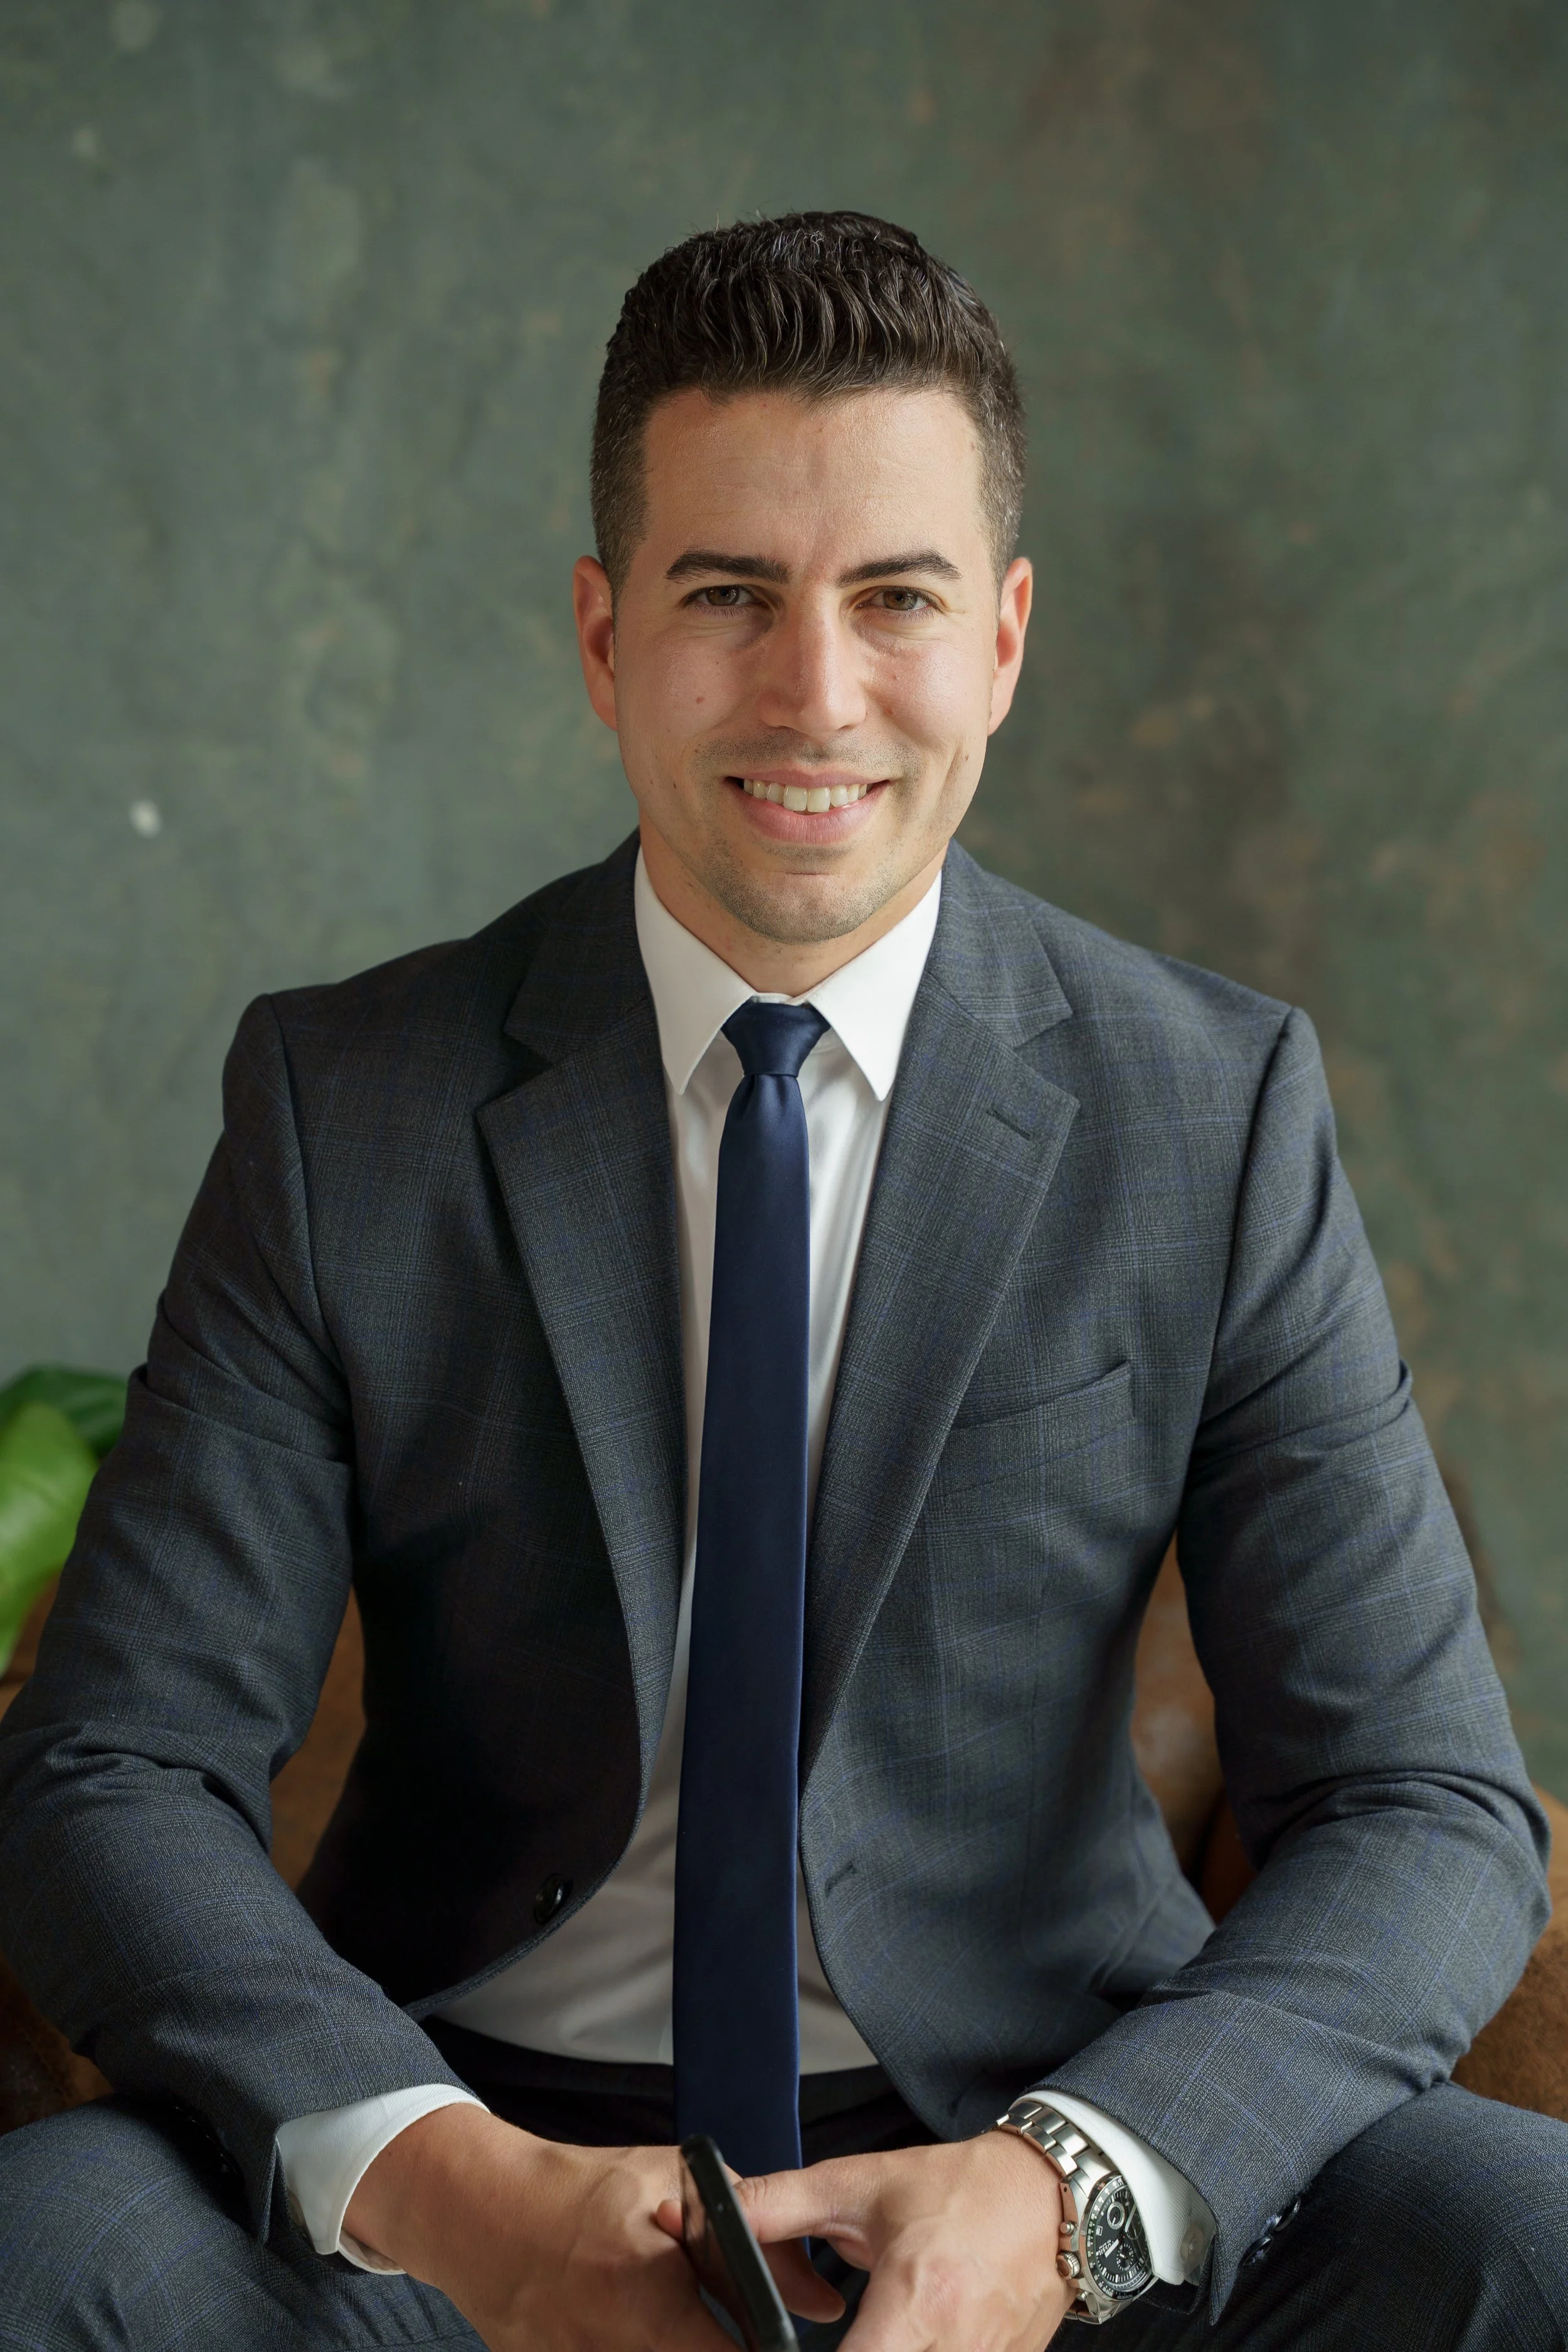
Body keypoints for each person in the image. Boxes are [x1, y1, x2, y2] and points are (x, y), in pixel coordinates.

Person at [0, 211, 1562, 2352]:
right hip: (472, 2180)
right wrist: (465, 2199)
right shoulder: (337, 1101)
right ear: (601, 635)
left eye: (894, 598)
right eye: (725, 594)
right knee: (52, 2237)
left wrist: (1068, 2192)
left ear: (1003, 639)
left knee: (1520, 2230)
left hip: (1024, 2158)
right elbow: (115, 1764)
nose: (812, 693)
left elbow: (1426, 1801)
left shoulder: (1211, 1108)